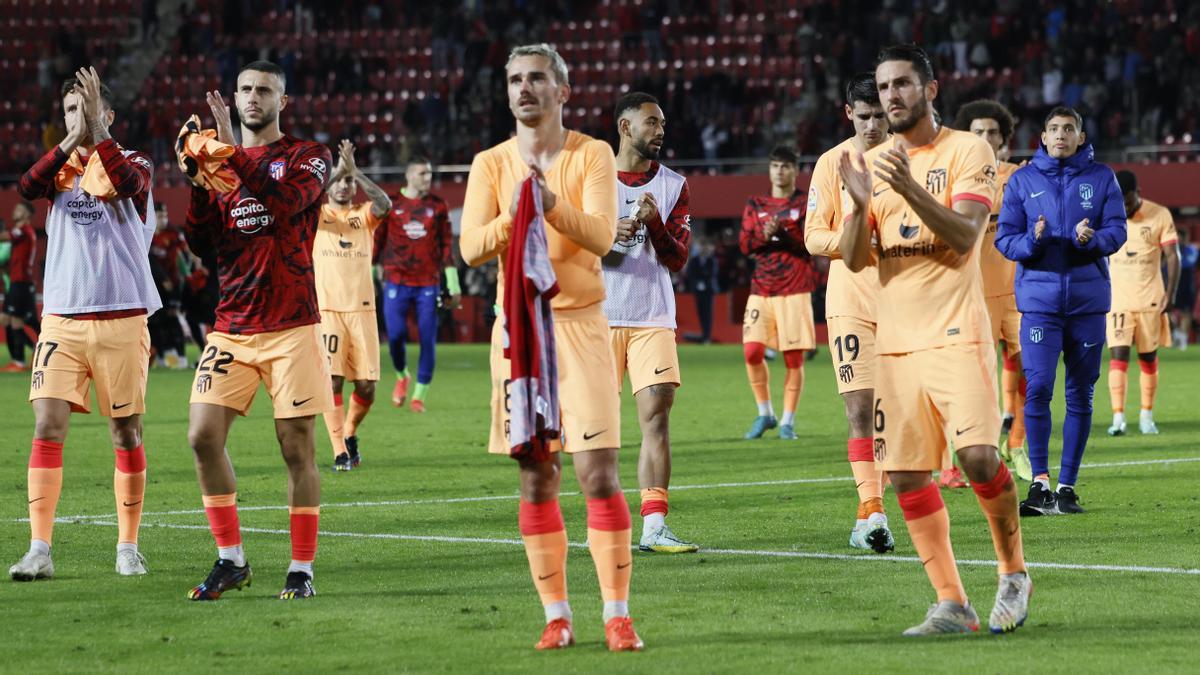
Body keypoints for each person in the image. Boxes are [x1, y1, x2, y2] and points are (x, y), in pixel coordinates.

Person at [839, 44, 1030, 635]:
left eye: (901, 84)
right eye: (883, 86)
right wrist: (859, 204)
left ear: (931, 88)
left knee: (976, 457)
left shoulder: (969, 150)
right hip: (893, 342)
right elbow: (854, 260)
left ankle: (1013, 574)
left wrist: (910, 189)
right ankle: (953, 603)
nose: (891, 96)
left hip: (955, 333)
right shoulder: (876, 163)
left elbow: (966, 236)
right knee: (906, 477)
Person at [460, 43, 643, 652]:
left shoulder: (591, 154)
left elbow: (600, 238)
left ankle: (617, 613)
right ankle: (557, 615)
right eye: (514, 79)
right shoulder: (489, 163)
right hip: (517, 333)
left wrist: (550, 203)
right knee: (537, 475)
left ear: (563, 90)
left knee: (598, 473)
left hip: (582, 325)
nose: (524, 88)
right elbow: (469, 249)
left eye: (537, 78)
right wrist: (519, 212)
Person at [182, 60, 333, 601]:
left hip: (292, 324)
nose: (251, 97)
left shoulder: (309, 157)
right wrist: (203, 181)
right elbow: (200, 241)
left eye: (263, 90)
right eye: (244, 88)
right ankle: (231, 559)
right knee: (201, 436)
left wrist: (230, 158)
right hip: (233, 324)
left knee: (296, 448)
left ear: (282, 101)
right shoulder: (223, 163)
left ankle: (301, 568)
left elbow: (283, 203)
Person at [10, 68, 160, 580]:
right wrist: (74, 137)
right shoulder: (58, 171)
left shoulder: (135, 162)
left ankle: (127, 545)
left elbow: (125, 184)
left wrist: (96, 134)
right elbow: (26, 186)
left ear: (109, 116)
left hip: (121, 316)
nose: (79, 117)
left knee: (125, 433)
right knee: (47, 426)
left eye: (89, 108)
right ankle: (39, 549)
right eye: (71, 110)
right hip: (62, 320)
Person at [995, 106, 1127, 516]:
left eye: (1069, 129)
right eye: (1054, 129)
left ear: (1081, 137)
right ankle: (1039, 484)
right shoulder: (1023, 180)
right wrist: (1032, 243)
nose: (1061, 135)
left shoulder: (1102, 177)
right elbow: (1006, 239)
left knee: (1081, 394)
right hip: (1039, 304)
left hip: (1087, 304)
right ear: (1044, 136)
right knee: (1036, 388)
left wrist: (1091, 239)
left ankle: (1067, 486)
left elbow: (1117, 230)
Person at [804, 72, 895, 553]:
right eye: (865, 117)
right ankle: (872, 512)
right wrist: (855, 241)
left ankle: (877, 508)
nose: (874, 125)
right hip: (850, 303)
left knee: (892, 416)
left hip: (904, 302)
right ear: (849, 114)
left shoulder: (908, 160)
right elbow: (812, 235)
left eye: (881, 115)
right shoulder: (830, 163)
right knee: (860, 409)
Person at [603, 91, 697, 553]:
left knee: (656, 420)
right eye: (652, 123)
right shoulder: (591, 181)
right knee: (595, 428)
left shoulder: (674, 185)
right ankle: (600, 520)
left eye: (662, 123)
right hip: (596, 318)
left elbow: (678, 258)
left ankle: (654, 526)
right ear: (625, 128)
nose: (661, 130)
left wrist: (655, 222)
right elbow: (566, 242)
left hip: (652, 318)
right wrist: (605, 232)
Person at [954, 99, 1033, 481]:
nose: (985, 138)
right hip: (974, 293)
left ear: (1004, 138)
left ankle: (1016, 444)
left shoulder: (1022, 176)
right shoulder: (953, 178)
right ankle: (961, 458)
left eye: (992, 132)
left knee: (1030, 372)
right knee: (971, 380)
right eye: (977, 132)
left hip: (1018, 291)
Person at [317, 139, 390, 471]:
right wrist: (338, 172)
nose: (344, 186)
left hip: (363, 311)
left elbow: (385, 203)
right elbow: (309, 196)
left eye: (348, 182)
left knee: (367, 388)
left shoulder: (364, 215)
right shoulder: (317, 214)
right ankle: (339, 453)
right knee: (332, 380)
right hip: (329, 310)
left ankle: (349, 434)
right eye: (340, 180)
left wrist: (355, 171)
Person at [739, 145, 815, 441]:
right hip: (761, 288)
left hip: (795, 288)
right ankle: (765, 413)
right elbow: (745, 245)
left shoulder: (806, 202)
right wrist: (764, 233)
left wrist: (782, 233)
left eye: (785, 166)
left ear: (796, 170)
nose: (779, 171)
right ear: (769, 170)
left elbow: (809, 245)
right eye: (775, 166)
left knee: (793, 359)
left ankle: (787, 422)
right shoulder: (755, 203)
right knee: (752, 351)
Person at [374, 155, 460, 412]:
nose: (428, 178)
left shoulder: (439, 206)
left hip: (427, 283)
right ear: (409, 175)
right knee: (396, 336)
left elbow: (446, 246)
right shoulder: (391, 203)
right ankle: (402, 376)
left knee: (427, 339)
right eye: (423, 173)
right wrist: (368, 276)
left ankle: (419, 396)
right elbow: (377, 241)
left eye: (429, 174)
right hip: (396, 281)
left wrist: (453, 283)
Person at [1106, 170, 1179, 435]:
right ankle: (1118, 419)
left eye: (1128, 201)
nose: (1124, 207)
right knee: (1118, 356)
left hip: (1150, 301)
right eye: (1120, 201)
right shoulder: (1107, 214)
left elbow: (1173, 256)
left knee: (1148, 358)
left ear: (1138, 193)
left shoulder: (1159, 215)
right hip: (1118, 302)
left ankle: (1146, 416)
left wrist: (1170, 295)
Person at [148, 201, 192, 369]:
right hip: (155, 287)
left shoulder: (173, 234)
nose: (163, 219)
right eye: (160, 216)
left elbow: (186, 252)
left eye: (165, 215)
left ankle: (181, 358)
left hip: (174, 285)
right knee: (156, 323)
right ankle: (161, 357)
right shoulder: (149, 235)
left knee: (173, 319)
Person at [1, 200, 40, 371]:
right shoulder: (22, 233)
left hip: (21, 282)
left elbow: (6, 236)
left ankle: (22, 360)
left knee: (17, 321)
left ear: (27, 215)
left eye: (19, 209)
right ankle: (22, 357)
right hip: (17, 282)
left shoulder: (24, 230)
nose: (15, 211)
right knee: (6, 319)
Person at [684, 238, 718, 343]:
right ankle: (703, 335)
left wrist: (701, 277)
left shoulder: (712, 260)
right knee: (701, 313)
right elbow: (690, 273)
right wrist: (698, 281)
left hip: (708, 291)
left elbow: (713, 273)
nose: (704, 249)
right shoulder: (694, 260)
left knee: (708, 314)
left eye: (706, 246)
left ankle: (707, 337)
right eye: (702, 246)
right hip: (697, 290)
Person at [1173, 227, 1196, 348]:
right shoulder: (1169, 250)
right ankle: (1176, 333)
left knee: (1186, 313)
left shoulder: (1191, 250)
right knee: (1169, 312)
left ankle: (1182, 338)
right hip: (1172, 285)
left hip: (1187, 286)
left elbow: (1189, 262)